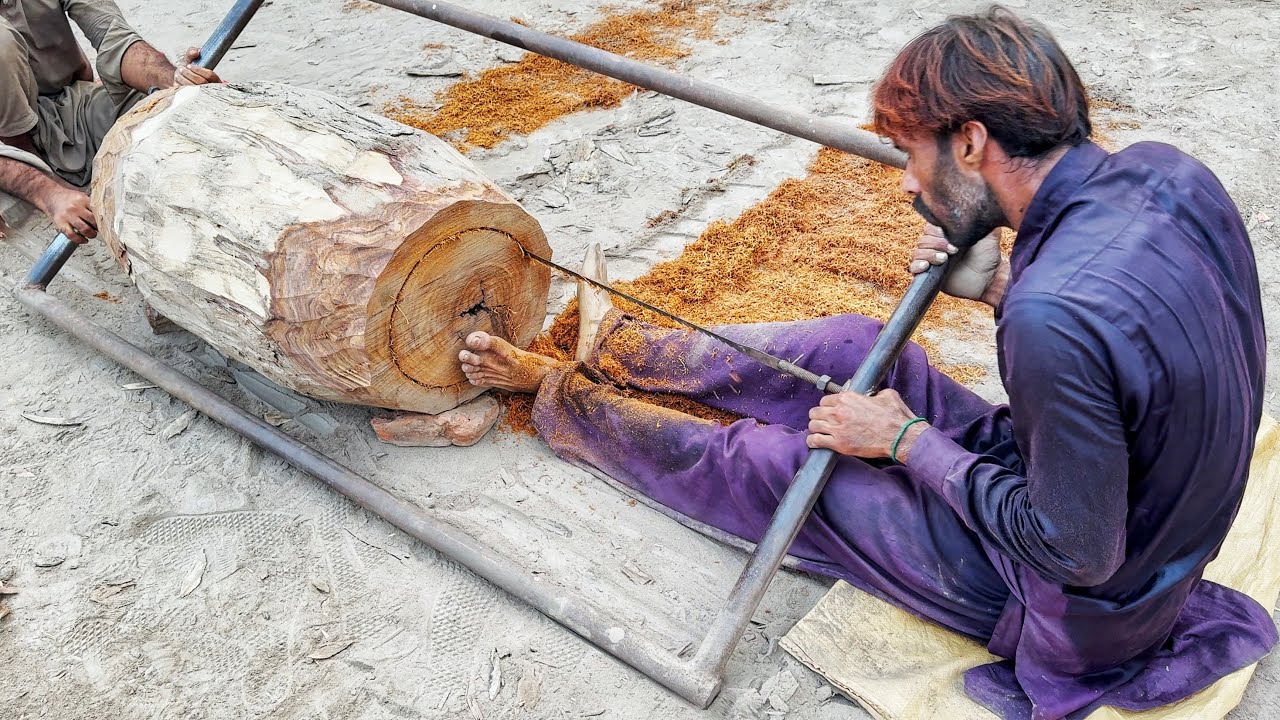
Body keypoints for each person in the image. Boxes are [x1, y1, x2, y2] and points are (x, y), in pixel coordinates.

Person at [458, 7, 1274, 720]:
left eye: (911, 154)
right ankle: (621, 346)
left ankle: (557, 392)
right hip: (1122, 492)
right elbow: (1123, 353)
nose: (909, 183)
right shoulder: (1169, 173)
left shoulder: (1052, 316)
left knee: (785, 466)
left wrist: (904, 441)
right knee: (850, 347)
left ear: (971, 142)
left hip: (1081, 600)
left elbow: (1075, 552)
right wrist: (996, 284)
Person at [0, 0, 221, 243]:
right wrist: (46, 192)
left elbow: (113, 35)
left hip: (67, 104)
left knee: (169, 115)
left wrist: (173, 79)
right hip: (7, 146)